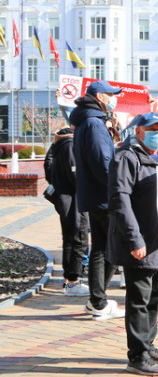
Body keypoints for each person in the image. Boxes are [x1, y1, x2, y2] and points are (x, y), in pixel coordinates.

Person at [107, 113, 158, 375]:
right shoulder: (126, 157)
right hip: (140, 241)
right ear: (138, 131)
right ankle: (136, 355)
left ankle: (147, 345)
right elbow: (120, 200)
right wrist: (134, 239)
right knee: (139, 299)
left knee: (154, 297)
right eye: (152, 129)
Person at [69, 80, 125, 321]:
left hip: (96, 195)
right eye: (112, 95)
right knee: (111, 248)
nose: (115, 99)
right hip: (104, 196)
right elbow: (103, 164)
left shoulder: (89, 120)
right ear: (100, 96)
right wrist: (120, 189)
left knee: (103, 248)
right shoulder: (93, 123)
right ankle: (98, 301)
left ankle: (97, 300)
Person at [44, 126, 89, 297]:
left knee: (70, 239)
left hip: (66, 200)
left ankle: (69, 279)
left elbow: (48, 169)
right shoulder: (70, 146)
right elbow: (76, 176)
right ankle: (73, 282)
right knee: (78, 239)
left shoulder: (57, 148)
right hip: (74, 201)